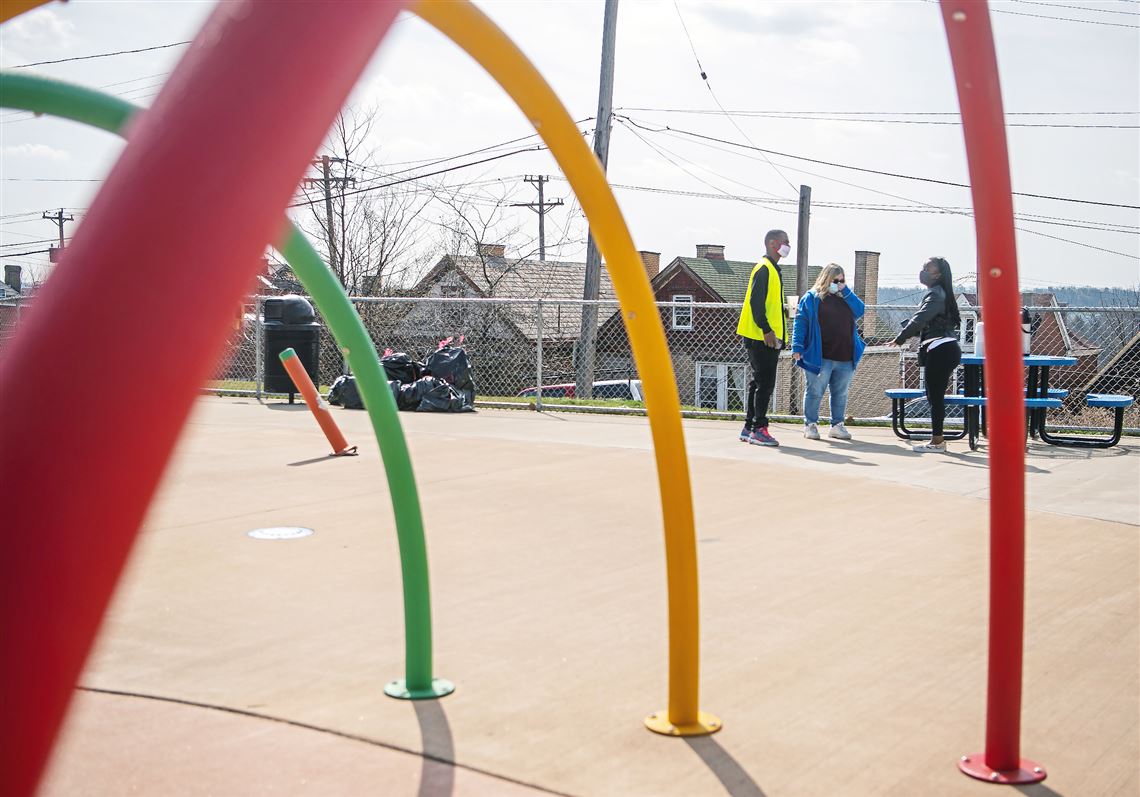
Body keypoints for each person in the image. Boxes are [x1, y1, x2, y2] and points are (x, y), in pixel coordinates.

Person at [891, 257, 962, 453]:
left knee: (935, 397)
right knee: (933, 396)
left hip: (941, 349)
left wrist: (900, 338)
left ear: (938, 274)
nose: (922, 271)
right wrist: (910, 331)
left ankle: (937, 442)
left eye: (927, 269)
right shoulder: (940, 294)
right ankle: (937, 440)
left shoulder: (936, 295)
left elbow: (919, 319)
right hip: (942, 348)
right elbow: (924, 324)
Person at [792, 263, 865, 440]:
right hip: (820, 356)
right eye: (835, 280)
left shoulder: (846, 297)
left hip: (845, 355)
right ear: (826, 279)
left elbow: (861, 310)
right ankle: (810, 425)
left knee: (840, 393)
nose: (839, 284)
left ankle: (837, 425)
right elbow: (800, 321)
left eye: (842, 280)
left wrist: (846, 291)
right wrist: (797, 346)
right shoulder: (812, 298)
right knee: (815, 391)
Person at [737, 229, 790, 447]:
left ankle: (749, 427)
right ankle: (759, 428)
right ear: (772, 243)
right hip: (762, 337)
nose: (788, 246)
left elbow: (768, 304)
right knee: (764, 385)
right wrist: (767, 330)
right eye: (785, 242)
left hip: (764, 336)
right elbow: (756, 304)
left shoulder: (772, 269)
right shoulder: (764, 269)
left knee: (757, 383)